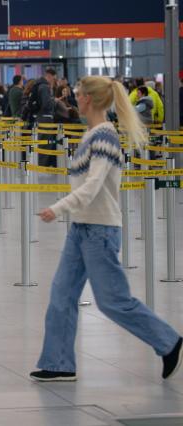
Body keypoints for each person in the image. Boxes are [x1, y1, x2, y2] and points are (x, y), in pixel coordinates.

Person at [30, 76, 183, 382]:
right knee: (61, 294)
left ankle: (168, 342)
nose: (75, 97)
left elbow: (92, 187)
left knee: (113, 301)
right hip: (82, 229)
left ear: (89, 99)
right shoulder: (92, 135)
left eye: (78, 94)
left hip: (100, 231)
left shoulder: (104, 137)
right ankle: (59, 363)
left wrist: (56, 209)